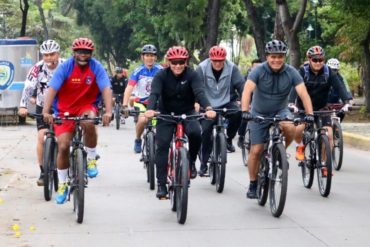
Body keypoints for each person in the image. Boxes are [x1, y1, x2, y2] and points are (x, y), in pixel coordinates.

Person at [42, 38, 112, 204]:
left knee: (89, 122)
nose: (83, 55)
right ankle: (63, 183)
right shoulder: (65, 68)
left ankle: (91, 159)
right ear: (74, 53)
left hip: (86, 106)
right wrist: (46, 111)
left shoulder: (96, 67)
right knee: (64, 146)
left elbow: (106, 88)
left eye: (86, 52)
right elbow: (52, 89)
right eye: (79, 52)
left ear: (91, 53)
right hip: (64, 110)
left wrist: (108, 111)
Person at [241, 40, 313, 199]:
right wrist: (245, 110)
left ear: (284, 57)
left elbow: (303, 93)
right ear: (267, 57)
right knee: (256, 150)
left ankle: (278, 152)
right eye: (273, 56)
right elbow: (247, 91)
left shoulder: (291, 72)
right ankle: (253, 183)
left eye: (280, 57)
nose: (276, 60)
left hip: (280, 111)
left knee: (290, 128)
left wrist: (310, 113)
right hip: (258, 112)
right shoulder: (258, 71)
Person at [144, 46, 216, 199]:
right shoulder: (161, 75)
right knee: (162, 145)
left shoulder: (193, 75)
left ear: (186, 62)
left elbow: (200, 92)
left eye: (181, 62)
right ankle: (162, 184)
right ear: (168, 62)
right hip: (165, 114)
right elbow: (155, 93)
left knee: (196, 134)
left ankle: (191, 162)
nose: (177, 65)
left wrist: (208, 108)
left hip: (187, 112)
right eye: (174, 62)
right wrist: (150, 109)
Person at [289, 46, 352, 162]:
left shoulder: (329, 72)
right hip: (303, 108)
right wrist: (291, 103)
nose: (318, 62)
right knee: (298, 129)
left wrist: (347, 102)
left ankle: (323, 164)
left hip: (322, 108)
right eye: (315, 60)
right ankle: (300, 147)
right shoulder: (303, 72)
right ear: (309, 59)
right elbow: (294, 88)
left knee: (328, 135)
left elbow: (340, 87)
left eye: (321, 59)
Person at [18, 39, 64, 186]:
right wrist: (23, 105)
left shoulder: (66, 66)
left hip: (62, 106)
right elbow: (28, 87)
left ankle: (68, 165)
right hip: (42, 106)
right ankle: (43, 171)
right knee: (41, 137)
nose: (49, 57)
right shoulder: (37, 68)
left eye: (52, 54)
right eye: (45, 55)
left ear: (58, 54)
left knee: (64, 138)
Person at [195, 45, 244, 176]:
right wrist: (197, 103)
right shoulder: (201, 68)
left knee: (239, 113)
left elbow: (241, 86)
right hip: (207, 104)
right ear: (210, 59)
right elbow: (196, 88)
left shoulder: (232, 68)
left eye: (220, 60)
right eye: (214, 60)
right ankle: (204, 163)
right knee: (205, 131)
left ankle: (228, 139)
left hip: (227, 102)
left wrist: (246, 103)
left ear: (224, 59)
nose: (217, 63)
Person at [122, 44, 162, 153]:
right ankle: (138, 139)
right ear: (142, 57)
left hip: (157, 103)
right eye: (147, 55)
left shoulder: (161, 70)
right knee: (142, 120)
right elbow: (129, 87)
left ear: (155, 57)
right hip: (141, 102)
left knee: (160, 124)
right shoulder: (137, 71)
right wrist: (125, 105)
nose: (150, 58)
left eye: (152, 55)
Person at [237, 58, 262, 149]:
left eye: (259, 67)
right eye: (255, 67)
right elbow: (242, 91)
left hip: (260, 102)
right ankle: (241, 136)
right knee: (245, 117)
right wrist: (242, 102)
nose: (257, 69)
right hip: (248, 100)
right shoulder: (246, 78)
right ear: (251, 67)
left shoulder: (265, 76)